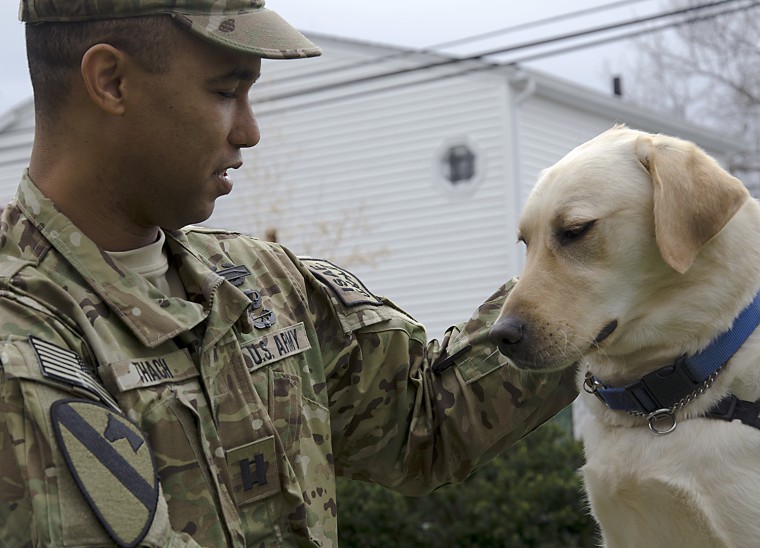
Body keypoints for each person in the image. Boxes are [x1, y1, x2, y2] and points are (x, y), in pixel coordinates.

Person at [0, 1, 578, 546]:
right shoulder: (21, 338)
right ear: (111, 81)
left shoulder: (262, 282)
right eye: (226, 92)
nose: (249, 131)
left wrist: (602, 270)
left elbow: (425, 415)